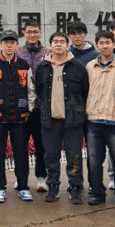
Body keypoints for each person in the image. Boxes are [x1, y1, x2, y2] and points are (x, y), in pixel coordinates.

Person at [34, 33, 89, 204]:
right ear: (50, 46)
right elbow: (38, 91)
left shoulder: (78, 67)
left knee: (74, 157)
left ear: (67, 45)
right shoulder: (42, 68)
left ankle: (75, 187)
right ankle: (53, 186)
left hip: (73, 120)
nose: (58, 44)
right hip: (49, 120)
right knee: (51, 156)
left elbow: (85, 91)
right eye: (55, 42)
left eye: (62, 42)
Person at [0, 30, 37, 203]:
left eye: (12, 43)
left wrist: (29, 109)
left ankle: (23, 187)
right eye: (6, 42)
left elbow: (31, 90)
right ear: (1, 44)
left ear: (16, 45)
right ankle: (0, 188)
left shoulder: (24, 65)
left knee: (21, 153)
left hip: (19, 118)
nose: (9, 46)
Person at [85, 31, 115, 205]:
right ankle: (98, 193)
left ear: (114, 44)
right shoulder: (90, 66)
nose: (104, 46)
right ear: (96, 46)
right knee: (94, 161)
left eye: (108, 43)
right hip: (94, 120)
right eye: (101, 43)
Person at [16, 21, 49, 193]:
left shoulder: (48, 53)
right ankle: (20, 179)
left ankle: (41, 178)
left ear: (40, 33)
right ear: (24, 33)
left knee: (41, 145)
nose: (32, 35)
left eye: (35, 31)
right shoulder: (17, 53)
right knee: (20, 145)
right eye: (29, 31)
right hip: (22, 107)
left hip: (41, 108)